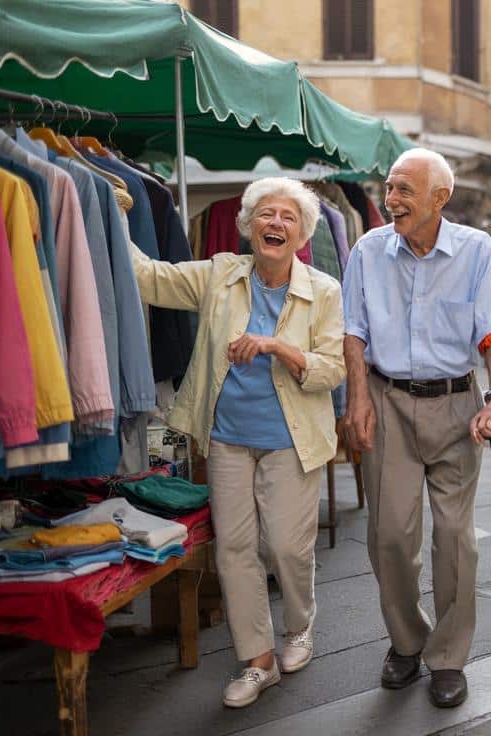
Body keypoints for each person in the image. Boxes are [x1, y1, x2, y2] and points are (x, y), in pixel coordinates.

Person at [129, 177, 346, 708]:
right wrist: (109, 213)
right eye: (265, 215)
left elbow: (332, 369)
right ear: (248, 227)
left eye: (287, 217)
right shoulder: (222, 273)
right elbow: (150, 278)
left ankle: (298, 627)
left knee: (288, 547)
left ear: (302, 234)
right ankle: (258, 659)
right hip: (226, 438)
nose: (275, 223)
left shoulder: (323, 290)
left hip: (290, 440)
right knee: (234, 550)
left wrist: (277, 346)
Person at [340, 149, 491, 708]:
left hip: (457, 405)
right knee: (389, 535)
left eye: (403, 191)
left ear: (439, 199)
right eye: (389, 188)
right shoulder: (368, 249)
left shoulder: (477, 250)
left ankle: (447, 656)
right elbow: (353, 332)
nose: (390, 200)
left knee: (455, 540)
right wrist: (357, 398)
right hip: (388, 399)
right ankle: (407, 640)